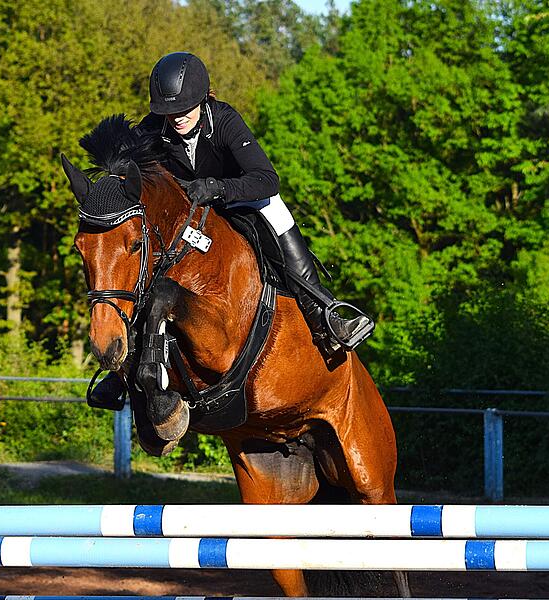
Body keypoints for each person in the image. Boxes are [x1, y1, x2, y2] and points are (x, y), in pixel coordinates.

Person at [90, 51, 374, 408]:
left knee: (276, 208)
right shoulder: (153, 128)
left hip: (238, 198)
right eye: (168, 113)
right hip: (187, 216)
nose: (176, 118)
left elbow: (267, 180)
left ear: (202, 98)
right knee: (140, 261)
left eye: (185, 109)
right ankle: (122, 373)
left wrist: (218, 188)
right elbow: (125, 171)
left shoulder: (224, 120)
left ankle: (323, 313)